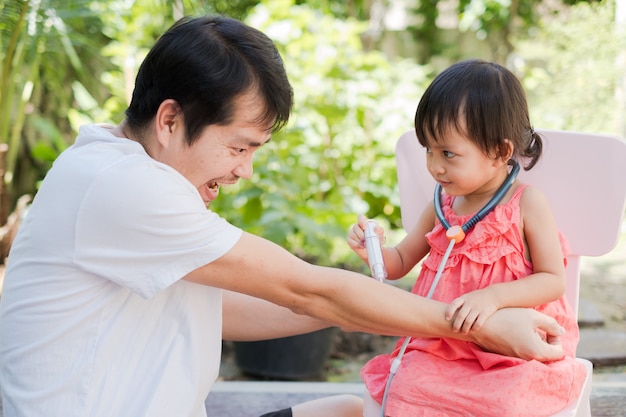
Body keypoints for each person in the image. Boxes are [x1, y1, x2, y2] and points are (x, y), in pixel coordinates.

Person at [0, 17, 566, 417]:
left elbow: (231, 310)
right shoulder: (125, 186)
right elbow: (304, 288)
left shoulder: (117, 169)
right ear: (170, 120)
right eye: (240, 147)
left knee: (348, 408)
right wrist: (476, 323)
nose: (244, 170)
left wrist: (361, 306)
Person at [347, 59, 587, 417]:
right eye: (428, 150)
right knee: (407, 389)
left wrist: (493, 297)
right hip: (444, 345)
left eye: (448, 154)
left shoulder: (526, 204)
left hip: (511, 349)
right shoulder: (442, 205)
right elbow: (399, 264)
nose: (434, 166)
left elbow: (553, 280)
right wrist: (375, 251)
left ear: (501, 152)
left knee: (510, 400)